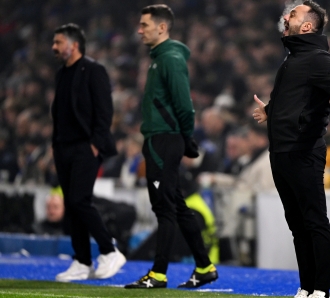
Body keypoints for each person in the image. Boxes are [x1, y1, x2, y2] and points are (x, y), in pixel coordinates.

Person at [252, 1, 330, 297]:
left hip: (304, 150)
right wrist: (271, 111)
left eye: (293, 14)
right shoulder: (291, 60)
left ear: (307, 26)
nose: (286, 17)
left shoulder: (318, 58)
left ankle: (322, 289)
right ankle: (306, 287)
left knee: (314, 220)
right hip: (281, 151)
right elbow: (294, 100)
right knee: (297, 224)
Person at [125, 4, 218, 289]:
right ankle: (204, 266)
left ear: (162, 27)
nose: (140, 30)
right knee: (175, 205)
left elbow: (184, 105)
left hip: (165, 138)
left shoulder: (170, 58)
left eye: (145, 25)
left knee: (164, 207)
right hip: (161, 138)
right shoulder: (159, 58)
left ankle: (158, 274)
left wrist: (184, 137)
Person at [51, 23, 126, 282]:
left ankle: (109, 250)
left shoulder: (94, 70)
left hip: (86, 146)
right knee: (72, 205)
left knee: (79, 200)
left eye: (58, 42)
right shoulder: (62, 73)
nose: (54, 47)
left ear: (73, 45)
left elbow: (105, 110)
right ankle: (82, 261)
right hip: (63, 147)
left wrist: (95, 142)